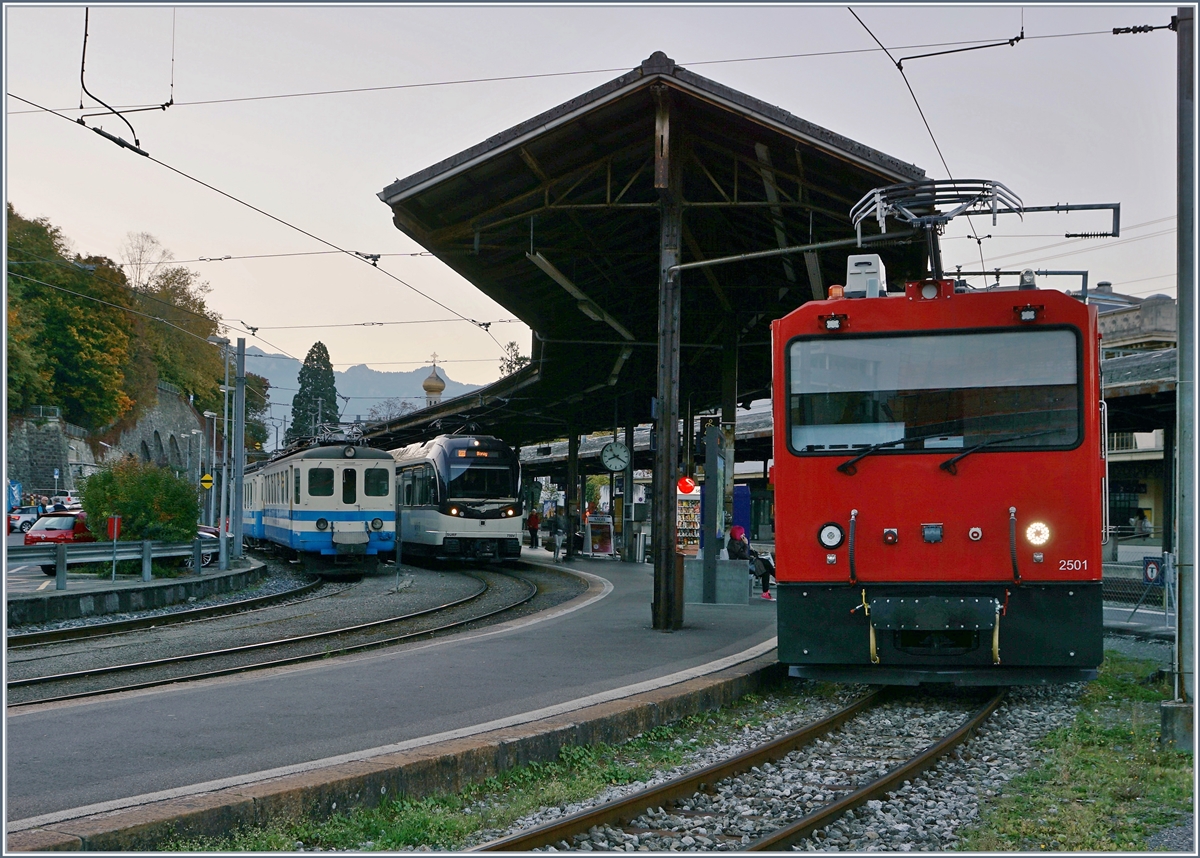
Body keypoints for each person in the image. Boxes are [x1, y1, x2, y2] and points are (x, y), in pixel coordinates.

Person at [729, 525, 773, 600]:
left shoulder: (736, 542)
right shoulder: (734, 544)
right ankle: (778, 578)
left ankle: (766, 592)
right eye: (742, 533)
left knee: (766, 568)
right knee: (765, 564)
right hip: (742, 565)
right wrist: (746, 545)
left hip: (744, 563)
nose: (744, 535)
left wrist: (750, 548)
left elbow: (746, 554)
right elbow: (744, 555)